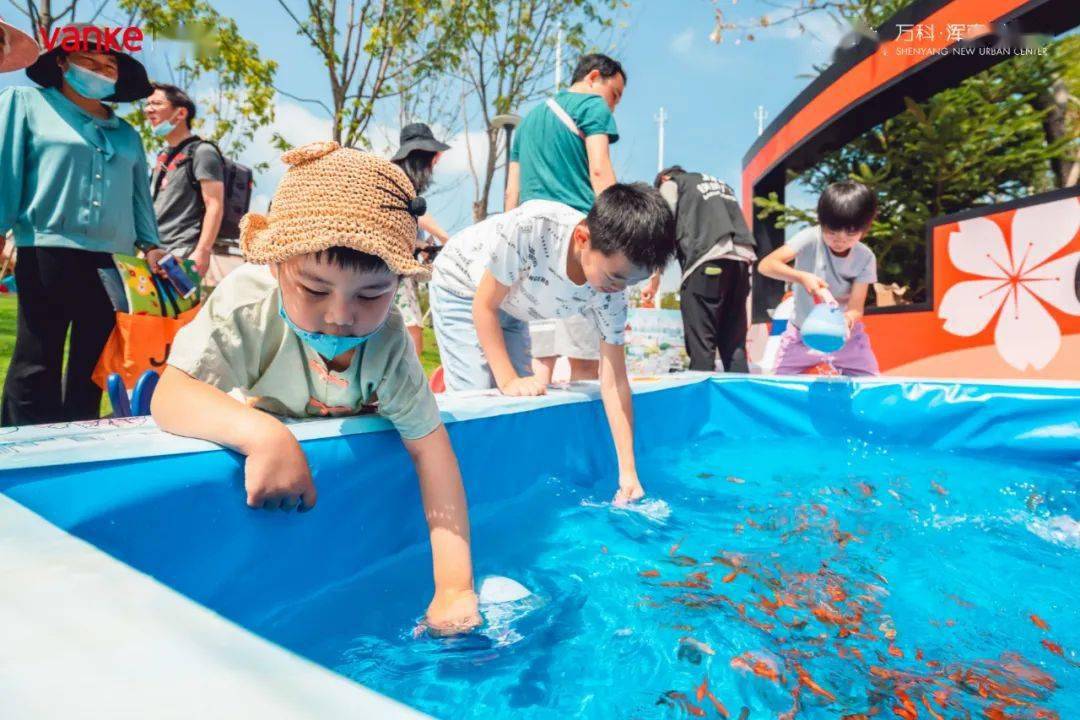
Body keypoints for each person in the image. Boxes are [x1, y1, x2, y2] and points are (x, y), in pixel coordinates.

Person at [150, 142, 479, 633]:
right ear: (278, 265)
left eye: (372, 294)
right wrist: (263, 435)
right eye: (314, 289)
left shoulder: (387, 341)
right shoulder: (248, 305)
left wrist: (454, 588)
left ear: (396, 286)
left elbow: (432, 450)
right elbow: (171, 394)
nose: (341, 315)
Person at [429, 185, 675, 504]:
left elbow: (614, 380)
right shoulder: (535, 229)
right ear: (583, 239)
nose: (620, 291)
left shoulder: (613, 290)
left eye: (632, 282)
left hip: (513, 305)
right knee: (478, 392)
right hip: (462, 287)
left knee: (519, 406)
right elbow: (484, 306)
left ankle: (500, 485)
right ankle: (458, 493)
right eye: (615, 277)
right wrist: (507, 379)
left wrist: (628, 472)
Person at [0, 25, 165, 426]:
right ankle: (20, 446)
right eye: (88, 62)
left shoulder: (128, 134)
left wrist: (153, 245)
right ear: (62, 62)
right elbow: (5, 171)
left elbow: (139, 196)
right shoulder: (25, 102)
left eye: (108, 66)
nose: (99, 70)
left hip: (114, 261)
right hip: (46, 250)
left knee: (93, 365)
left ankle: (79, 443)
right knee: (36, 359)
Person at [504, 53, 625, 384]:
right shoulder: (592, 107)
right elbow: (599, 170)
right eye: (614, 94)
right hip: (575, 245)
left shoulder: (527, 122)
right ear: (594, 77)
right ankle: (586, 437)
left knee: (541, 365)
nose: (613, 107)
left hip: (531, 250)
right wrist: (620, 233)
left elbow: (511, 193)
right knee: (584, 364)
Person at [756, 180, 880, 376]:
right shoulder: (810, 238)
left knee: (870, 388)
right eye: (832, 231)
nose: (840, 239)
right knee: (781, 390)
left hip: (845, 338)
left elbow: (856, 308)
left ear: (866, 227)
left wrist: (846, 321)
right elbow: (766, 265)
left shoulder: (865, 257)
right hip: (800, 336)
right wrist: (802, 277)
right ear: (821, 223)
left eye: (851, 232)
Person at [644, 166, 756, 372]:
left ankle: (702, 403)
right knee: (735, 347)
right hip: (742, 262)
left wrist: (654, 274)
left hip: (707, 261)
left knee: (702, 347)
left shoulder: (672, 183)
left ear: (664, 178)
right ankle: (738, 402)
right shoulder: (722, 185)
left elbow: (664, 223)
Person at [144, 83, 230, 282]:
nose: (148, 110)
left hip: (182, 251)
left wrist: (202, 251)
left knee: (176, 310)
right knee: (146, 312)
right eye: (147, 104)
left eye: (156, 103)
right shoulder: (163, 157)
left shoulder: (202, 152)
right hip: (155, 252)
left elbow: (214, 204)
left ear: (181, 113)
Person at [390, 122, 452, 357]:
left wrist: (422, 247)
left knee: (408, 331)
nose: (435, 164)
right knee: (411, 331)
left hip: (398, 269)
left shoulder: (403, 181)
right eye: (433, 158)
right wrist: (444, 237)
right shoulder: (397, 180)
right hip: (390, 268)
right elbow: (415, 212)